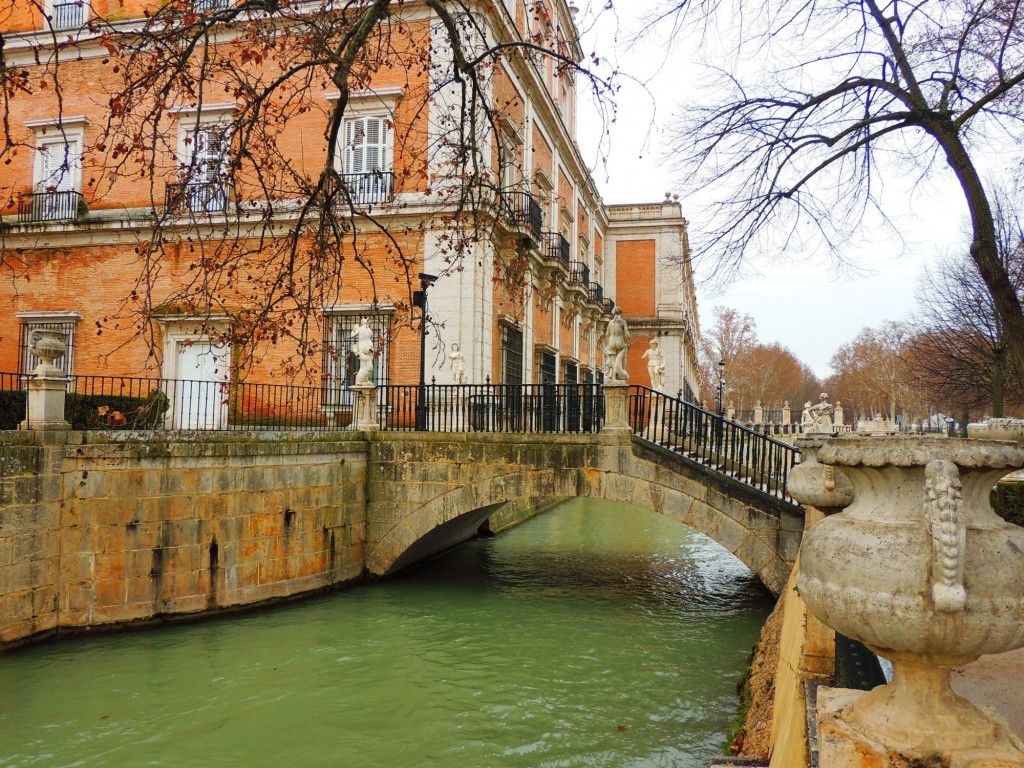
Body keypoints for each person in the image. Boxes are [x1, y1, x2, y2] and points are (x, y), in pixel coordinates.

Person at [602, 307, 630, 382]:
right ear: (620, 313)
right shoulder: (622, 322)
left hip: (611, 342)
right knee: (625, 349)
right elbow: (627, 334)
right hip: (619, 341)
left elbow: (607, 334)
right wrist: (629, 342)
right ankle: (622, 371)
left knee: (613, 358)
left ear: (613, 313)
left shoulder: (610, 322)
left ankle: (614, 376)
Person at [352, 317, 374, 385]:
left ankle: (364, 379)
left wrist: (354, 330)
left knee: (364, 365)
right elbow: (371, 338)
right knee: (366, 364)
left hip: (363, 346)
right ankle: (364, 379)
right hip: (368, 347)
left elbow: (352, 335)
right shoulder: (370, 330)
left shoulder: (360, 329)